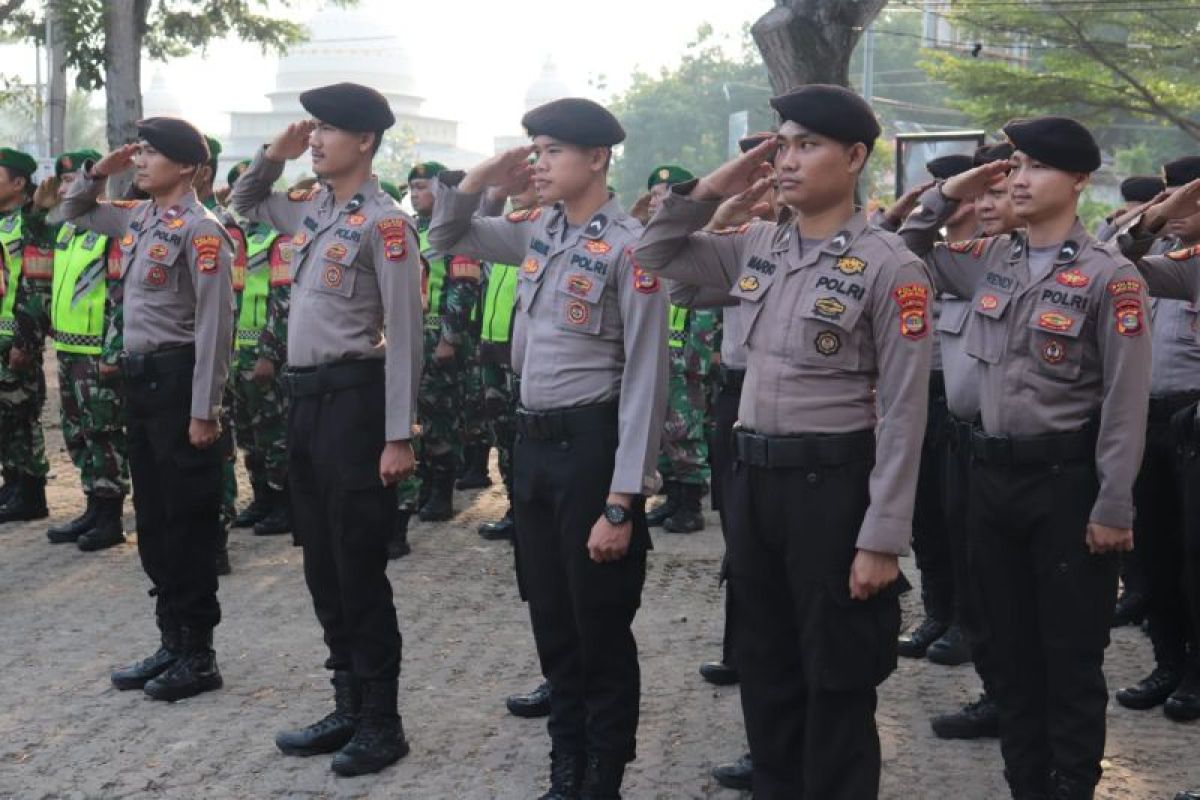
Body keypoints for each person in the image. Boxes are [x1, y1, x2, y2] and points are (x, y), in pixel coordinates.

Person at [636, 84, 930, 800]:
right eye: (782, 144)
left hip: (832, 489)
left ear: (855, 157)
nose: (787, 160)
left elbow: (903, 412)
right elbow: (657, 250)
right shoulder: (758, 246)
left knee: (836, 674)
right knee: (765, 665)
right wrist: (712, 188)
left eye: (807, 145)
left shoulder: (893, 266)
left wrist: (882, 537)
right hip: (754, 482)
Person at [898, 116, 1151, 800]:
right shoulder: (992, 258)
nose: (1020, 177)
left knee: (1068, 658)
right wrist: (954, 188)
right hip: (989, 479)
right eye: (1014, 165)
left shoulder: (1111, 278)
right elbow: (908, 242)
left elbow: (1127, 403)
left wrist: (1114, 504)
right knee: (1005, 653)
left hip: (1065, 485)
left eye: (1037, 166)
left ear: (1078, 181)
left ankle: (1071, 787)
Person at [428, 96, 668, 799]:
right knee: (553, 622)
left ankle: (603, 778)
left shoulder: (633, 246)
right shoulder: (537, 233)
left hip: (594, 451)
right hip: (532, 452)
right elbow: (447, 238)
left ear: (596, 158)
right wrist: (483, 176)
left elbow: (647, 378)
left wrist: (623, 500)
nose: (539, 161)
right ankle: (566, 768)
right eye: (535, 149)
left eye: (551, 150)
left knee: (599, 628)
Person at [231, 81, 422, 777]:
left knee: (358, 564)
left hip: (355, 405)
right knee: (319, 562)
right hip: (304, 403)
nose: (314, 139)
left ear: (364, 140)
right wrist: (271, 156)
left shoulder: (386, 223)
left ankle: (381, 720)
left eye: (328, 131)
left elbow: (406, 334)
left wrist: (398, 432)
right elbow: (245, 204)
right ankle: (346, 699)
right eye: (310, 131)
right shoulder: (314, 210)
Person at [60, 118, 236, 701]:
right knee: (156, 519)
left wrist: (205, 407)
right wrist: (96, 173)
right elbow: (74, 214)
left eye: (151, 153)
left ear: (186, 167)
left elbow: (215, 325)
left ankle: (199, 653)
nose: (140, 160)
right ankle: (170, 640)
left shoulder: (202, 230)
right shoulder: (140, 218)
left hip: (180, 379)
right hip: (141, 382)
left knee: (188, 520)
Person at [921, 141, 1016, 741]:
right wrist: (940, 198)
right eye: (978, 193)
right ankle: (997, 692)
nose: (986, 204)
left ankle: (1035, 713)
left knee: (1027, 593)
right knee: (971, 559)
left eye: (999, 189)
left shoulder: (1092, 266)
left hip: (1042, 456)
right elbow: (902, 244)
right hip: (971, 439)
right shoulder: (979, 259)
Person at [17, 150, 129, 551]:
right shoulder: (65, 229)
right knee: (77, 433)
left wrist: (114, 352)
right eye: (63, 182)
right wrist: (38, 210)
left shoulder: (111, 230)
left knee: (104, 433)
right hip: (67, 349)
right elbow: (35, 249)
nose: (66, 188)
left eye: (72, 182)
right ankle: (91, 505)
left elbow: (121, 295)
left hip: (97, 352)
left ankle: (110, 514)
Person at [893, 153, 976, 666]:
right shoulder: (926, 255)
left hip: (962, 401)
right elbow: (902, 239)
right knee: (924, 513)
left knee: (960, 518)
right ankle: (937, 611)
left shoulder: (989, 256)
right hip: (921, 394)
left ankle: (968, 619)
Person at [639, 165, 716, 535]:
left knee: (686, 429)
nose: (656, 200)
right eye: (653, 194)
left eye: (664, 193)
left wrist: (695, 359)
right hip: (656, 352)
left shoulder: (695, 239)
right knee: (662, 430)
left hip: (684, 355)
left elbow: (704, 307)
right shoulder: (650, 241)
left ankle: (690, 505)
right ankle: (671, 498)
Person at [221, 154, 293, 542]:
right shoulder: (236, 236)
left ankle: (285, 502)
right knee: (248, 433)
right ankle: (263, 496)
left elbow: (282, 301)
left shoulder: (278, 238)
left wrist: (269, 353)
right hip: (237, 350)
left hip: (266, 352)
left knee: (275, 432)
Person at [408, 161, 482, 521]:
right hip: (413, 338)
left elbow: (463, 286)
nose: (415, 193)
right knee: (418, 417)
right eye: (412, 187)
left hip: (441, 339)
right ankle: (422, 486)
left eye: (422, 186)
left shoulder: (454, 233)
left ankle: (441, 492)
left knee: (442, 417)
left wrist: (449, 338)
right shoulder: (409, 229)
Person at [0, 147, 51, 524]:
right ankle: (13, 482)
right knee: (3, 419)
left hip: (15, 336)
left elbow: (36, 284)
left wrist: (27, 340)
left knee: (22, 416)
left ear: (19, 183)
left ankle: (31, 493)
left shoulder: (31, 224)